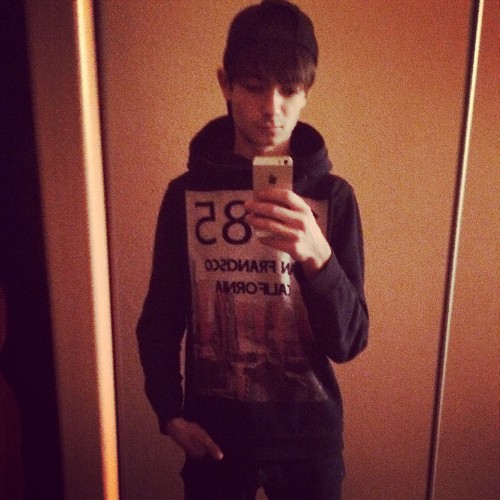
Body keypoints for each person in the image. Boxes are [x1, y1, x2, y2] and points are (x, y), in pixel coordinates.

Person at [136, 1, 369, 498]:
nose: (272, 108)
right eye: (255, 85)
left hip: (309, 444)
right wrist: (169, 412)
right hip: (214, 440)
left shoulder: (332, 197)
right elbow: (160, 316)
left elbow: (348, 342)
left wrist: (318, 258)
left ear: (307, 93)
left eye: (290, 89)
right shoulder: (186, 195)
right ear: (226, 84)